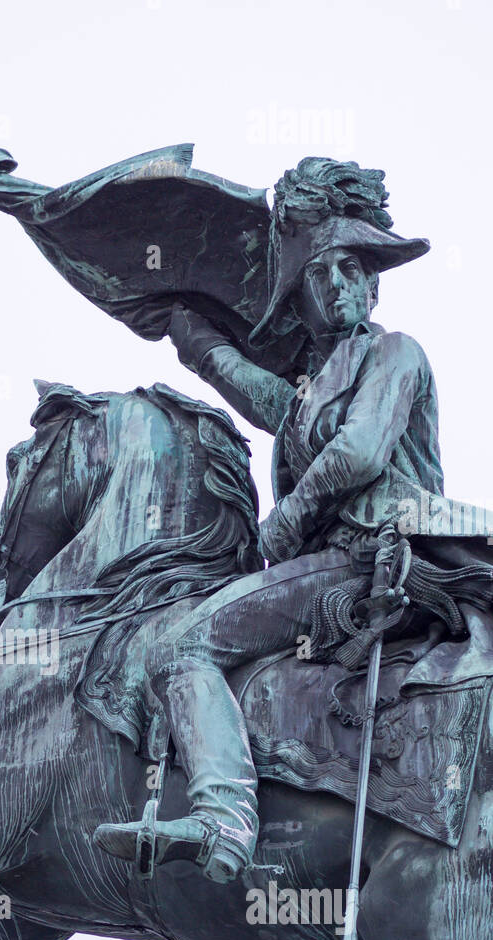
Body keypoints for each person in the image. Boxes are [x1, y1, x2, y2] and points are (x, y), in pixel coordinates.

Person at [95, 157, 493, 882]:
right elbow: (276, 407)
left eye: (349, 270)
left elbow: (359, 452)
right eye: (319, 274)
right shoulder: (317, 387)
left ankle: (220, 819)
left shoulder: (396, 353)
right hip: (333, 564)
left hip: (372, 551)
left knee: (181, 650)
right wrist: (195, 342)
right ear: (302, 295)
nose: (338, 287)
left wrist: (284, 521)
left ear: (371, 279)